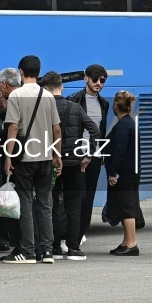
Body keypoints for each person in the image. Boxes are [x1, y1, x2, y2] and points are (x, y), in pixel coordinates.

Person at [1, 55, 62, 264]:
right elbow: (56, 129)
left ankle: (27, 250)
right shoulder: (48, 96)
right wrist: (57, 154)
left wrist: (8, 156)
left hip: (25, 157)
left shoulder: (16, 95)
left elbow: (13, 127)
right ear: (38, 71)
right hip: (46, 157)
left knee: (25, 203)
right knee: (45, 204)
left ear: (20, 72)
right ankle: (47, 251)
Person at [47, 71, 99, 261]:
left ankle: (54, 246)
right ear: (62, 86)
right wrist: (88, 154)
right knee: (73, 205)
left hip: (51, 162)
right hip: (74, 163)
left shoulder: (44, 107)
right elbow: (94, 129)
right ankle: (73, 247)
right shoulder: (75, 108)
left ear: (45, 88)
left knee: (51, 204)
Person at [68, 63, 110, 244]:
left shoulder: (104, 103)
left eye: (102, 81)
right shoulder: (73, 100)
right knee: (75, 196)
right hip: (76, 155)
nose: (98, 83)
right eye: (95, 79)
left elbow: (99, 131)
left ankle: (80, 234)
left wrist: (93, 154)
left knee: (89, 197)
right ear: (86, 78)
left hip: (93, 155)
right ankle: (69, 234)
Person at [0, 67, 23, 253]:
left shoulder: (15, 99)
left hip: (18, 156)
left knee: (15, 203)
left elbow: (12, 129)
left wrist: (7, 156)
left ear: (4, 84)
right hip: (37, 154)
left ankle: (19, 246)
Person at [106, 91, 141, 256]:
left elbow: (119, 151)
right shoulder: (130, 123)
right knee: (126, 206)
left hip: (124, 174)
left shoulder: (122, 126)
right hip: (131, 172)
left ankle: (132, 244)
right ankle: (126, 241)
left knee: (127, 207)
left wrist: (112, 172)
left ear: (115, 106)